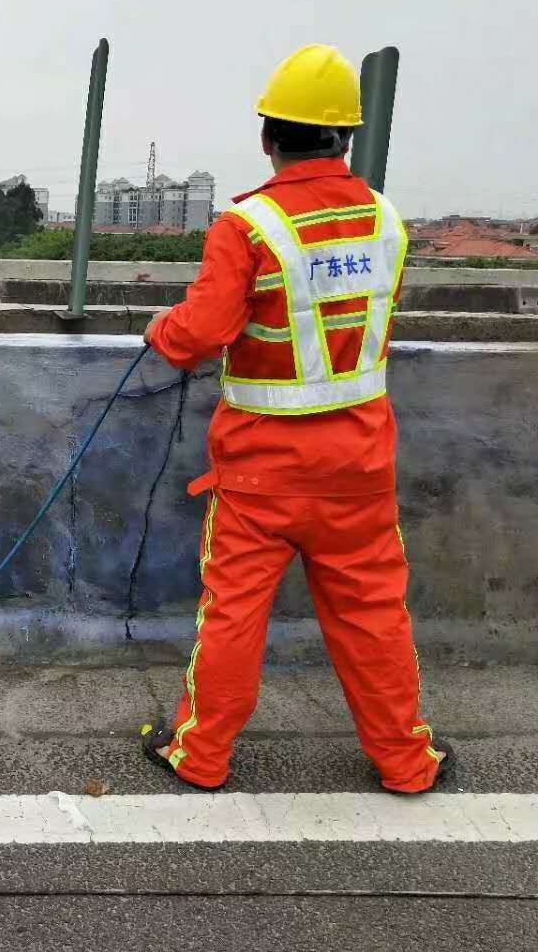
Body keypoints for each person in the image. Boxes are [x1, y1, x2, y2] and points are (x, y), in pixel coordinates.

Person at [141, 44, 452, 794]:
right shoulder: (387, 223)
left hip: (261, 470)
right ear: (345, 137)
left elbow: (200, 335)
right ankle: (407, 764)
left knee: (235, 613)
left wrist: (161, 329)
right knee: (374, 614)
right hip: (361, 463)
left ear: (267, 137)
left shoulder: (248, 227)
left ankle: (202, 756)